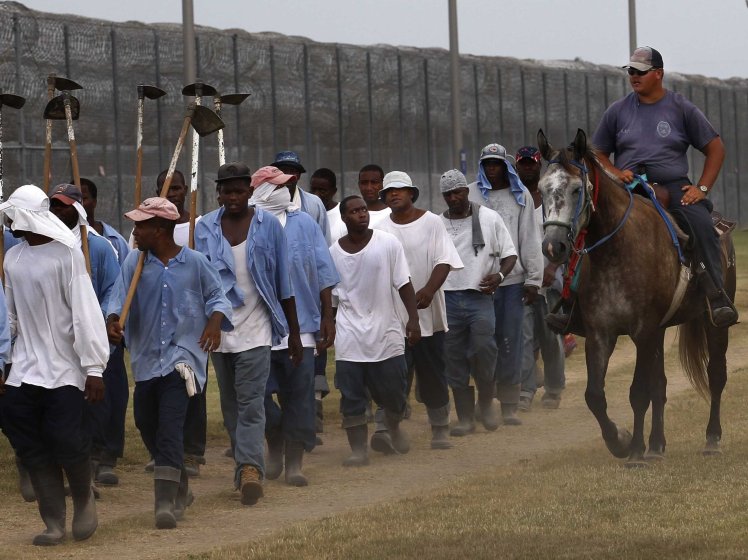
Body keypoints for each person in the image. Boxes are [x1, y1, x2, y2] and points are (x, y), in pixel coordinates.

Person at [583, 46, 737, 328]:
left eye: (640, 71)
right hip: (627, 188)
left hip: (673, 186)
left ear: (658, 74)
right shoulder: (617, 111)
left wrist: (701, 189)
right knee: (584, 222)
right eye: (630, 71)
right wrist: (616, 172)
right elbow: (598, 153)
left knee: (701, 224)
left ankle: (716, 295)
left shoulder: (681, 108)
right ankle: (568, 302)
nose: (633, 76)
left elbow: (716, 148)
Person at [106, 197, 232, 529]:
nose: (134, 232)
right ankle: (181, 486)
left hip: (183, 361)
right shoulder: (134, 262)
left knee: (170, 429)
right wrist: (114, 319)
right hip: (147, 360)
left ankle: (164, 502)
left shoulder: (195, 262)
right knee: (146, 423)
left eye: (140, 226)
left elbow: (218, 296)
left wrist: (215, 322)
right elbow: (117, 297)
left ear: (160, 230)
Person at [0, 184, 108, 546]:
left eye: (13, 214)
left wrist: (93, 367)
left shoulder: (68, 256)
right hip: (24, 368)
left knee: (66, 439)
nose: (8, 221)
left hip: (64, 368)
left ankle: (82, 499)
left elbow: (84, 312)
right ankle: (52, 520)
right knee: (27, 441)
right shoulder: (12, 259)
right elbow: (10, 318)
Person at [194, 162, 303, 505]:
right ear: (219, 193)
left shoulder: (268, 226)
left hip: (256, 329)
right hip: (219, 332)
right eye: (227, 191)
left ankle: (250, 470)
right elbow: (197, 279)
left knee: (251, 402)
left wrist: (295, 335)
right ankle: (244, 465)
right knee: (230, 407)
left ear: (250, 191)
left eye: (240, 190)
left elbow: (284, 282)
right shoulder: (204, 228)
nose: (234, 197)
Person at [250, 165, 339, 486]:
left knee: (299, 396)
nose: (285, 192)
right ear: (260, 191)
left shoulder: (304, 224)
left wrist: (327, 317)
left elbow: (323, 271)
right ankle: (274, 438)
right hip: (257, 329)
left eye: (287, 186)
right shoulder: (247, 225)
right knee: (257, 395)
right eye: (277, 187)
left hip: (301, 327)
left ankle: (294, 462)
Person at [375, 171, 463, 449]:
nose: (394, 194)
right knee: (392, 374)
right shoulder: (379, 228)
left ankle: (440, 427)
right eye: (389, 191)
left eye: (399, 190)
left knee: (432, 372)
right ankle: (387, 428)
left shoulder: (432, 222)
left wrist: (428, 290)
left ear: (411, 193)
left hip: (428, 314)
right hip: (393, 316)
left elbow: (444, 260)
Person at [330, 195, 421, 466]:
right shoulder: (333, 252)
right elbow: (332, 300)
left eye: (363, 210)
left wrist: (413, 320)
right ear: (344, 218)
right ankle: (358, 450)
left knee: (394, 393)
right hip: (349, 337)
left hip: (386, 332)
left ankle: (392, 426)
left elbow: (404, 283)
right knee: (352, 395)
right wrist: (328, 325)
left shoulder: (388, 243)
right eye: (355, 211)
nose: (362, 214)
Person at [131, 169, 208, 476]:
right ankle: (166, 455)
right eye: (168, 188)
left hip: (187, 340)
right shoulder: (137, 251)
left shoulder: (196, 238)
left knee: (182, 405)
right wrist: (115, 318)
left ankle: (183, 463)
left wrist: (213, 321)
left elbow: (213, 288)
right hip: (150, 344)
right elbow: (122, 293)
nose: (174, 193)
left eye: (178, 188)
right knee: (147, 414)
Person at [49, 183, 127, 485]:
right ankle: (76, 462)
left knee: (104, 400)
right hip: (62, 340)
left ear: (79, 208)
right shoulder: (47, 245)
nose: (57, 211)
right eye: (53, 205)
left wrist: (108, 319)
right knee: (70, 404)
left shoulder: (97, 247)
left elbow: (113, 289)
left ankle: (102, 457)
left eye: (63, 205)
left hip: (97, 338)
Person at [468, 143, 543, 426]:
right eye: (487, 163)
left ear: (505, 166)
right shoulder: (471, 193)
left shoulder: (519, 194)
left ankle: (510, 404)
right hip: (477, 283)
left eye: (497, 163)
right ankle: (483, 400)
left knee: (510, 342)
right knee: (481, 344)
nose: (492, 169)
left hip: (512, 282)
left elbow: (530, 238)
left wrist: (534, 279)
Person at [438, 170, 517, 435]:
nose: (453, 198)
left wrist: (500, 275)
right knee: (454, 356)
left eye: (458, 192)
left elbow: (509, 254)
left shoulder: (489, 218)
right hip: (447, 298)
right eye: (448, 194)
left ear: (466, 191)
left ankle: (485, 404)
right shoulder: (437, 223)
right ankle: (464, 417)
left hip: (479, 296)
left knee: (485, 350)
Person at [513, 147, 566, 411]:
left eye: (531, 164)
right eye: (522, 164)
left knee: (550, 337)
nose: (527, 169)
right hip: (521, 278)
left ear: (539, 167)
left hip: (549, 278)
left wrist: (553, 267)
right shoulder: (514, 199)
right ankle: (526, 389)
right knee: (521, 337)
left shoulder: (553, 198)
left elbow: (566, 236)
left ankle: (554, 389)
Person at [308, 167, 343, 438]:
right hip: (311, 292)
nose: (318, 194)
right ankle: (311, 412)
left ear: (333, 191)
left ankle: (319, 404)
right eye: (314, 188)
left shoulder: (338, 217)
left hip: (332, 291)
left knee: (324, 350)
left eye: (324, 189)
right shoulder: (306, 211)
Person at [271, 151, 331, 244]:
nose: (288, 176)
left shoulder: (314, 203)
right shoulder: (264, 203)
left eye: (292, 171)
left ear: (298, 176)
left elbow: (324, 241)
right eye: (283, 171)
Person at [79, 177, 130, 265]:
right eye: (74, 199)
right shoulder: (62, 238)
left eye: (84, 199)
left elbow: (125, 273)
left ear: (94, 202)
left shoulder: (115, 240)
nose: (79, 203)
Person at [310, 167, 347, 243]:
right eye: (313, 190)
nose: (316, 195)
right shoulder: (304, 212)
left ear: (334, 191)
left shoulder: (344, 213)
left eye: (322, 191)